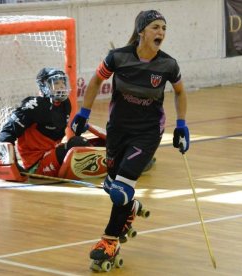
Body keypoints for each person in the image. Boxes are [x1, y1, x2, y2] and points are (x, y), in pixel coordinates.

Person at [70, 10, 190, 266]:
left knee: (121, 190)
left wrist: (181, 125)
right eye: (156, 27)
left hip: (147, 132)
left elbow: (180, 92)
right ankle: (130, 209)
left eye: (164, 28)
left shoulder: (168, 64)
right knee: (110, 186)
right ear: (142, 31)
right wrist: (84, 112)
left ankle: (109, 241)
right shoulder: (118, 57)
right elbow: (94, 82)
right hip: (118, 130)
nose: (161, 33)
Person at [0, 67, 89, 178]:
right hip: (36, 163)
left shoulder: (65, 104)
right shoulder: (35, 105)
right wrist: (13, 165)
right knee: (77, 145)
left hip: (52, 154)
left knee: (84, 144)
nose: (61, 86)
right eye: (56, 83)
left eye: (63, 82)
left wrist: (79, 127)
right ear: (44, 86)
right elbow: (7, 132)